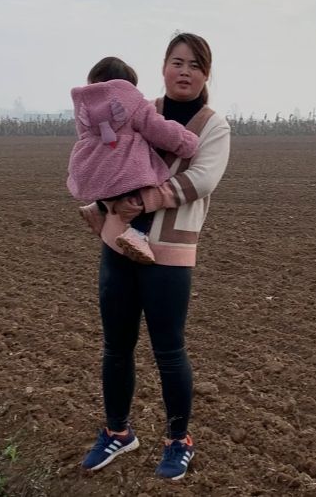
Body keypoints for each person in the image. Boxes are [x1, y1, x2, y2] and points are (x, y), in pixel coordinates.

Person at [79, 33, 231, 481]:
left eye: (195, 65)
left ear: (206, 74)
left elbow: (202, 179)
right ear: (163, 67)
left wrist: (143, 200)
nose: (185, 71)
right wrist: (109, 204)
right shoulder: (135, 107)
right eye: (177, 62)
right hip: (119, 243)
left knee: (169, 350)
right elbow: (105, 156)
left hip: (169, 251)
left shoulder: (213, 126)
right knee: (115, 347)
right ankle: (117, 432)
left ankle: (178, 440)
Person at [68, 56, 200, 264]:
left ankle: (98, 207)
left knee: (110, 184)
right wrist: (186, 142)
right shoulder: (133, 102)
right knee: (144, 189)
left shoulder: (84, 106)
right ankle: (138, 234)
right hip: (124, 169)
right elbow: (158, 129)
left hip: (93, 169)